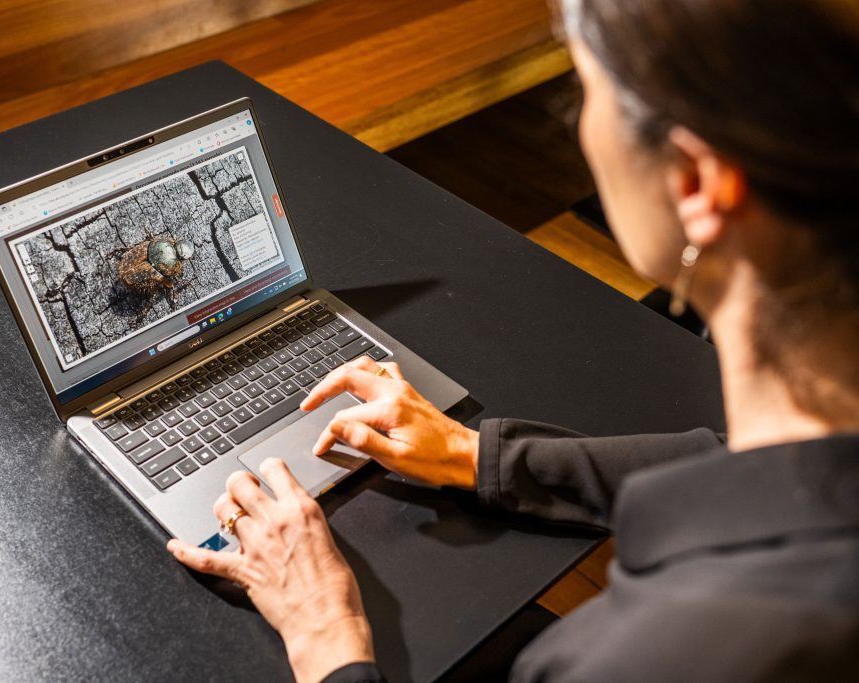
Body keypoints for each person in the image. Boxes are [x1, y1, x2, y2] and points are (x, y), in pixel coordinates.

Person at [167, 0, 859, 680]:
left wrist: (328, 635)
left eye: (588, 88)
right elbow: (748, 474)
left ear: (696, 184)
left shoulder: (641, 655)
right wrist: (477, 455)